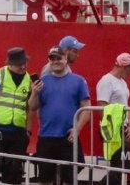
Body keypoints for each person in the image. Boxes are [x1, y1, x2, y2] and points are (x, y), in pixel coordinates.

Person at [28, 46, 91, 185]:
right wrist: (34, 93)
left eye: (59, 58)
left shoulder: (78, 81)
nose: (56, 61)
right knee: (45, 179)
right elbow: (32, 106)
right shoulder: (42, 81)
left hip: (68, 138)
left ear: (66, 59)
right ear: (48, 60)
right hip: (46, 137)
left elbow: (87, 109)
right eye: (52, 58)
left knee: (70, 179)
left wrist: (77, 128)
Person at [0, 47, 35, 185]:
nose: (22, 67)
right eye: (18, 64)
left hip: (18, 134)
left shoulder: (29, 80)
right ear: (9, 63)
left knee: (14, 173)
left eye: (24, 63)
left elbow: (30, 109)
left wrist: (28, 131)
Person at [97, 52, 130, 185]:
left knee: (122, 166)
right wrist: (109, 130)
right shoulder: (106, 81)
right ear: (123, 66)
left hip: (122, 128)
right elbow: (102, 106)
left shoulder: (122, 82)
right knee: (120, 166)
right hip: (113, 129)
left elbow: (125, 105)